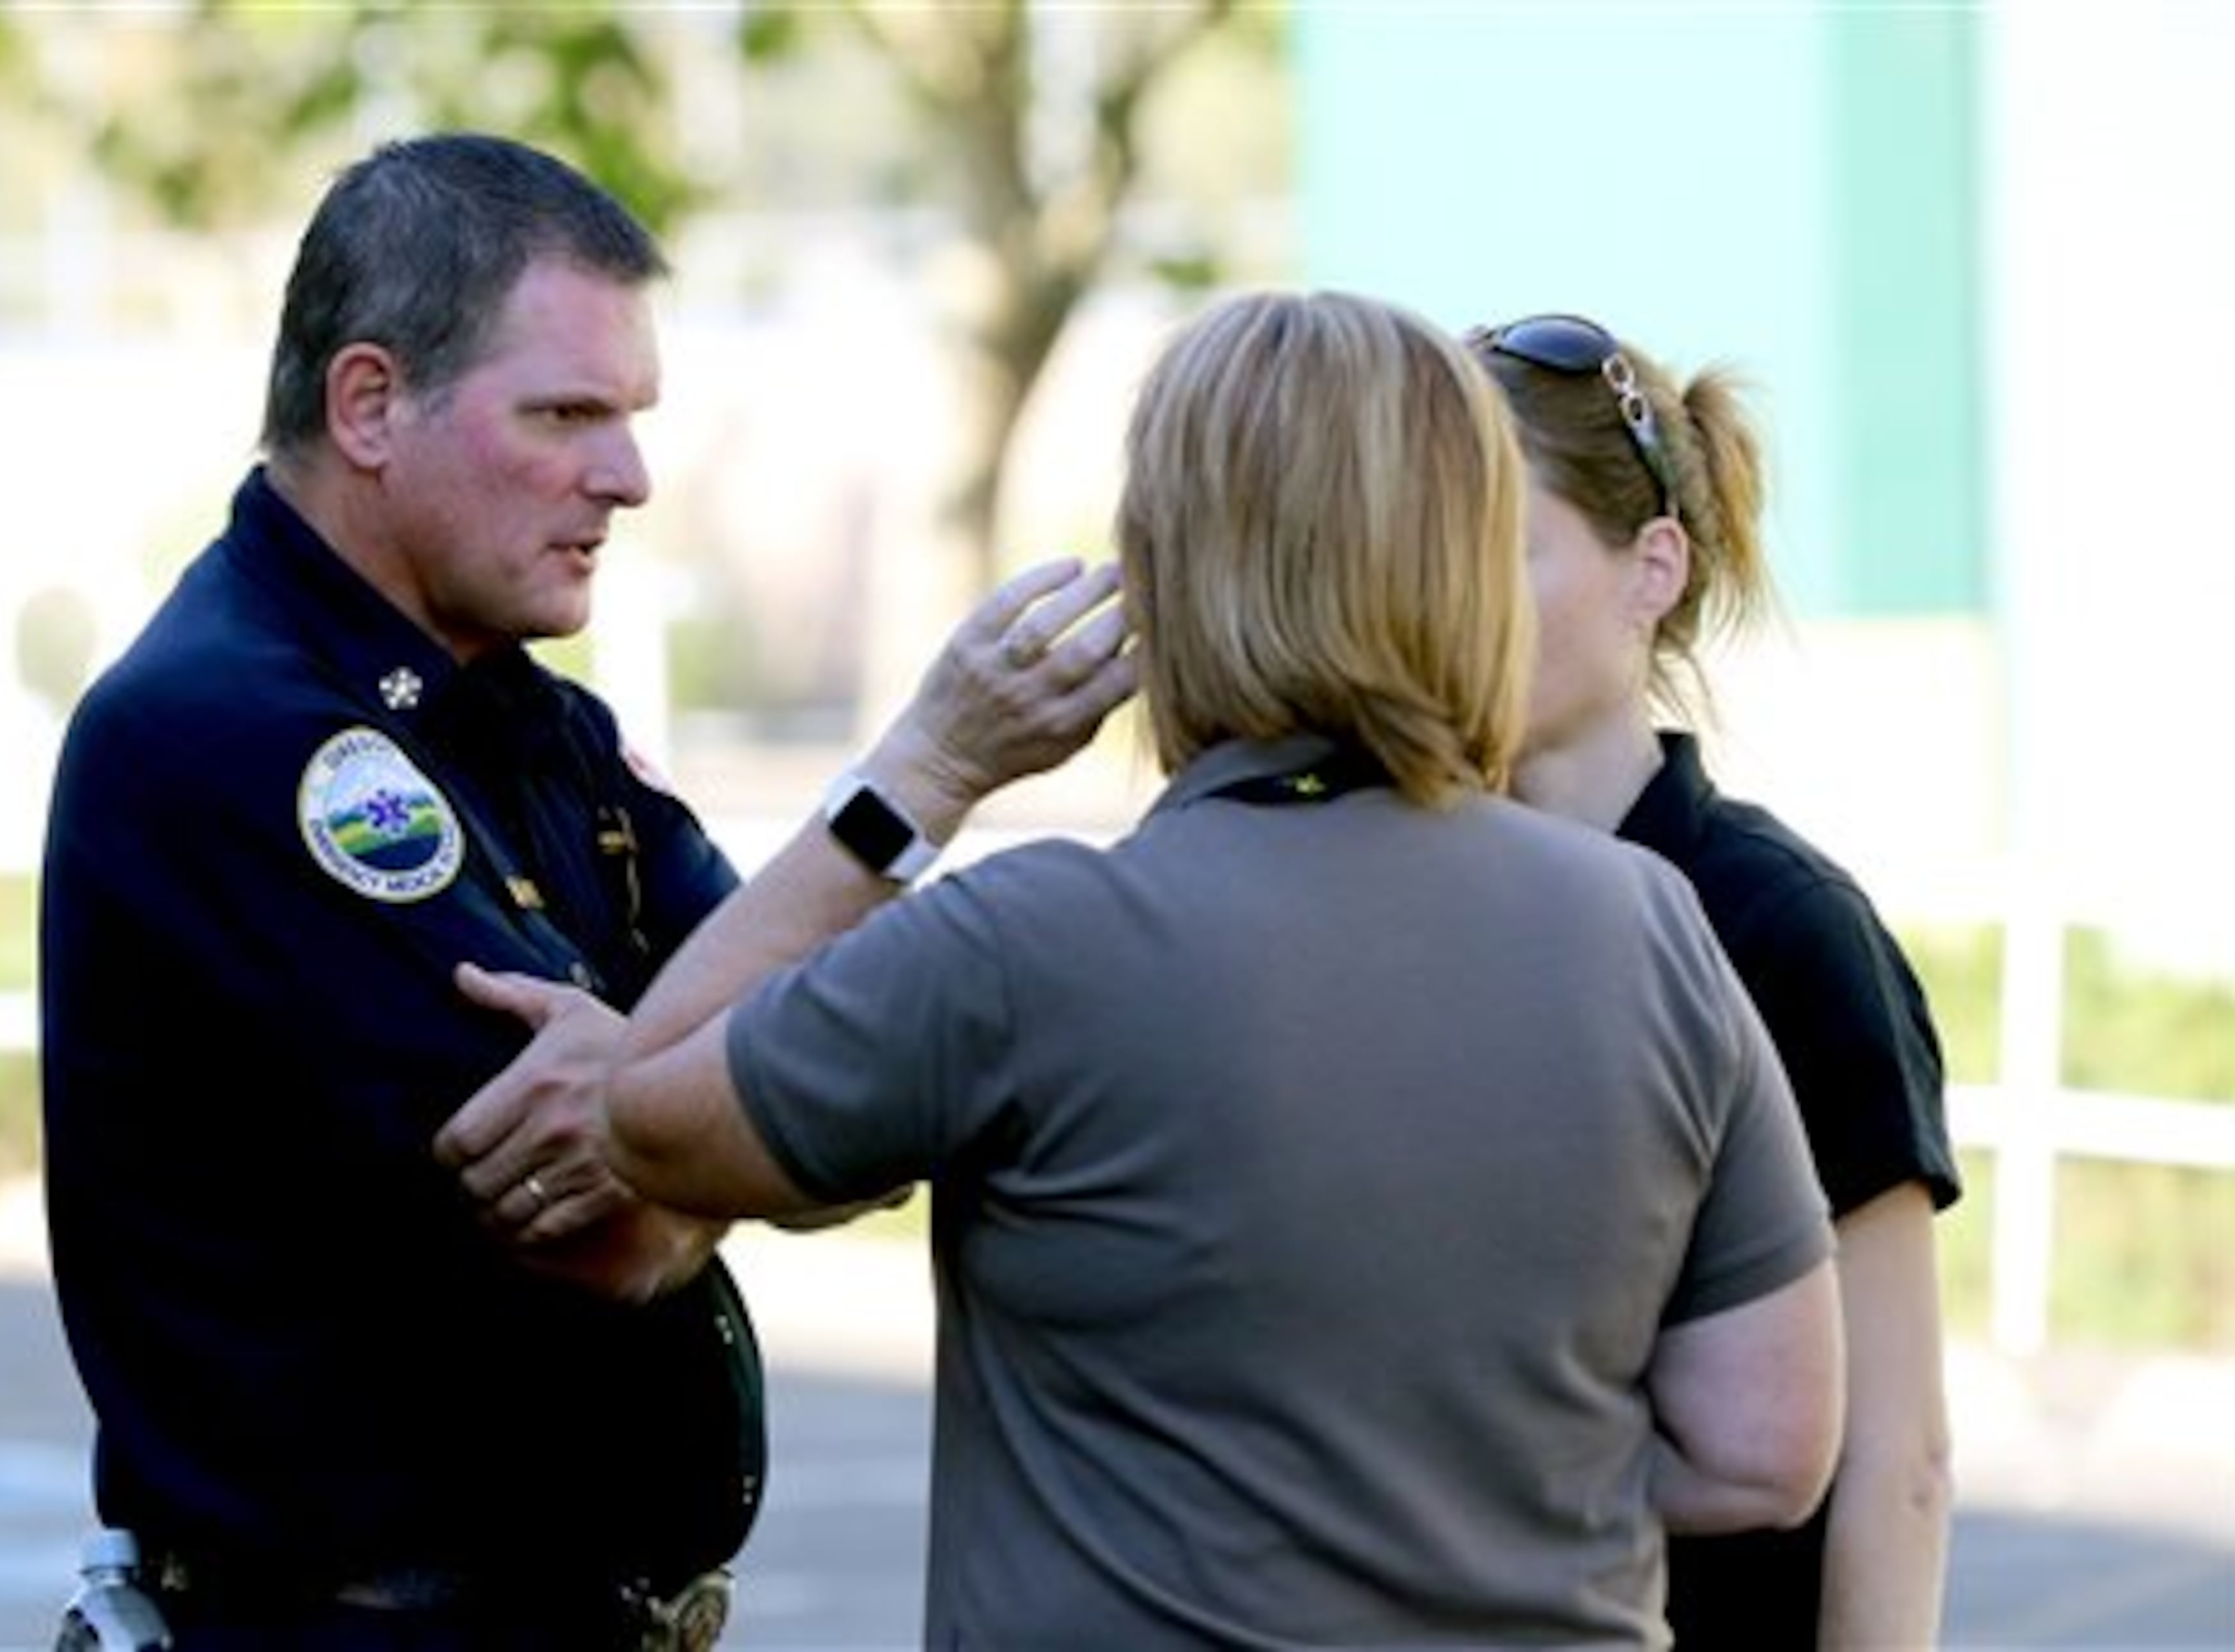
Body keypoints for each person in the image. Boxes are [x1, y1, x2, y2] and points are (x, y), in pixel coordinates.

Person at [443, 290, 1848, 1647]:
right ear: (1470, 570)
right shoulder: (1653, 927)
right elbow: (1765, 1450)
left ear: (1161, 579)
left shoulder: (1027, 947)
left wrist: (923, 773)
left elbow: (648, 1107)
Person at [37, 130, 1122, 1650]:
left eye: (629, 416)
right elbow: (616, 1214)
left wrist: (701, 1128)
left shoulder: (526, 717)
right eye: (565, 414)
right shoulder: (232, 733)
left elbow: (858, 1081)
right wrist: (917, 784)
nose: (629, 476)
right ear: (369, 405)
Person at [1469, 312, 1964, 1650]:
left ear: (1654, 569)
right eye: (1424, 549)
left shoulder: (1787, 928)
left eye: (1502, 549)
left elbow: (1898, 1448)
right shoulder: (1400, 897)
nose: (1444, 599)